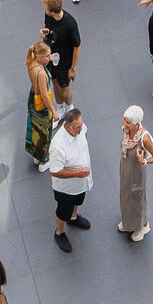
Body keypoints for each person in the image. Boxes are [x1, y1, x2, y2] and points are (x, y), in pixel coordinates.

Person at [44, 105, 95, 251]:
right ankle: (59, 232)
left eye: (81, 125)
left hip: (81, 182)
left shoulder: (80, 128)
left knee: (78, 200)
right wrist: (76, 173)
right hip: (66, 188)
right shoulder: (58, 146)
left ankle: (74, 217)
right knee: (63, 210)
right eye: (77, 127)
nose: (81, 129)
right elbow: (55, 171)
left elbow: (84, 133)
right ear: (67, 127)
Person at [118, 104, 153, 238]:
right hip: (126, 169)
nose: (124, 124)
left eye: (128, 122)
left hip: (137, 173)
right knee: (125, 194)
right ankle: (128, 222)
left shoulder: (144, 137)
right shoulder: (125, 130)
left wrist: (144, 161)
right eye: (124, 120)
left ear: (136, 123)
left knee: (137, 198)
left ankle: (142, 225)